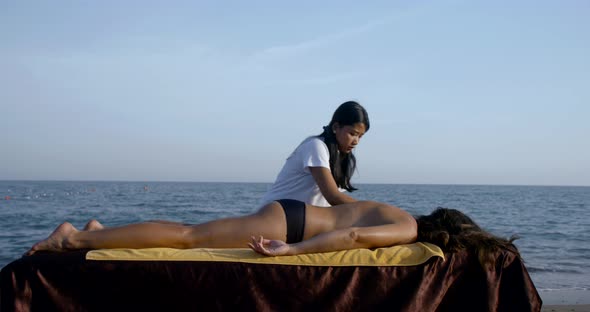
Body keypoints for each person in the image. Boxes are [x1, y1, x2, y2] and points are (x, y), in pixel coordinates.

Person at [27, 200, 519, 268]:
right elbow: (350, 242)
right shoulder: (406, 227)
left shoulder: (397, 209)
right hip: (291, 223)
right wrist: (295, 249)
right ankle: (72, 236)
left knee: (188, 233)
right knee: (186, 236)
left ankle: (98, 231)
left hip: (295, 214)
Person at [260, 101, 370, 207]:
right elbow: (333, 197)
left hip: (302, 220)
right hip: (275, 217)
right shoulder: (316, 146)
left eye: (360, 136)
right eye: (352, 134)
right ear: (336, 127)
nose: (356, 141)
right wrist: (373, 209)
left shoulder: (342, 157)